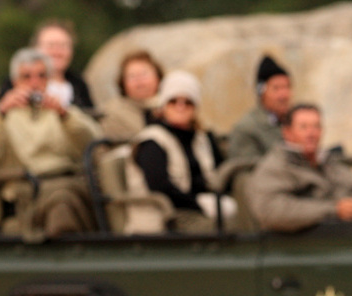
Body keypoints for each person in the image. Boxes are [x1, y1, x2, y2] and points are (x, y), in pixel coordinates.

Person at [0, 48, 101, 237]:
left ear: (50, 79)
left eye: (42, 76)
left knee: (66, 195)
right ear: (14, 81)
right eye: (26, 77)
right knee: (61, 200)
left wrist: (64, 116)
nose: (34, 83)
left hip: (68, 179)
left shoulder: (64, 112)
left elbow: (94, 144)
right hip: (28, 187)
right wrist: (1, 113)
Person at [125, 70, 235, 234]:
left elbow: (221, 172)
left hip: (203, 209)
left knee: (244, 217)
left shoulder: (202, 138)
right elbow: (160, 187)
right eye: (173, 101)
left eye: (188, 102)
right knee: (228, 228)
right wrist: (199, 204)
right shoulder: (152, 141)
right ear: (163, 105)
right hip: (168, 216)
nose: (180, 107)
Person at [247, 104, 352, 233]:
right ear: (287, 132)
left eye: (316, 127)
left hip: (336, 238)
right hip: (294, 246)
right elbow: (271, 212)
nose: (311, 133)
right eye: (303, 127)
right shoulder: (275, 167)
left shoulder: (329, 162)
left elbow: (347, 187)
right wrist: (334, 209)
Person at [0, 19, 93, 110]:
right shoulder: (14, 82)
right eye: (51, 45)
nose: (57, 51)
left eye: (63, 45)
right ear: (35, 48)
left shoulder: (79, 84)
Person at [226, 54, 292, 163]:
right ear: (262, 92)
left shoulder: (292, 123)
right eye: (276, 88)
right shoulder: (246, 129)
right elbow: (243, 173)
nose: (284, 95)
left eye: (287, 87)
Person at [100, 50, 164, 141]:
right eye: (132, 76)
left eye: (144, 74)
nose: (139, 80)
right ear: (122, 83)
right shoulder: (114, 112)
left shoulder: (174, 104)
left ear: (158, 76)